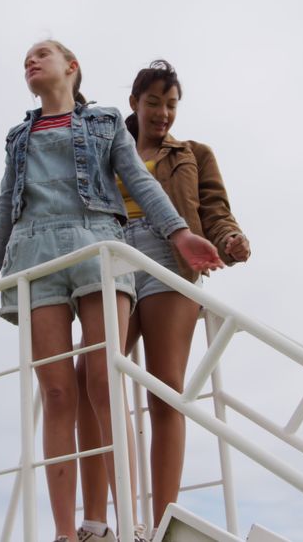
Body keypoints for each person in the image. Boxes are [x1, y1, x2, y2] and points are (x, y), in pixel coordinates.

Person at [0, 42, 224, 542]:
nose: (30, 63)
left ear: (71, 67)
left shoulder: (104, 122)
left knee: (104, 379)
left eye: (41, 54)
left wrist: (179, 234)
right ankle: (68, 533)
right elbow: (4, 210)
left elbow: (141, 185)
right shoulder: (19, 136)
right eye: (24, 61)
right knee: (58, 391)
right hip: (35, 256)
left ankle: (128, 527)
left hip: (96, 244)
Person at [75, 60, 250, 538]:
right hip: (112, 253)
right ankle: (95, 523)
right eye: (154, 102)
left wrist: (231, 241)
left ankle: (161, 526)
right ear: (134, 103)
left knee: (164, 387)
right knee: (90, 374)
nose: (163, 113)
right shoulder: (104, 147)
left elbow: (215, 211)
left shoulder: (193, 154)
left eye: (171, 105)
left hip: (169, 256)